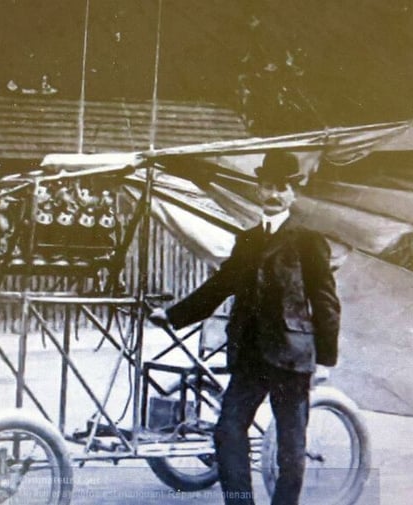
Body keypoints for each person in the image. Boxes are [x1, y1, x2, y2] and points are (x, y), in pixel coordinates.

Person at [150, 151, 340, 505]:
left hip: (290, 357)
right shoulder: (248, 241)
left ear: (292, 194)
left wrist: (325, 360)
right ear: (258, 190)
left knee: (289, 444)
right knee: (227, 433)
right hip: (250, 356)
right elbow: (219, 287)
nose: (272, 194)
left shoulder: (308, 241)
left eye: (281, 188)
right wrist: (173, 315)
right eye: (267, 186)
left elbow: (326, 301)